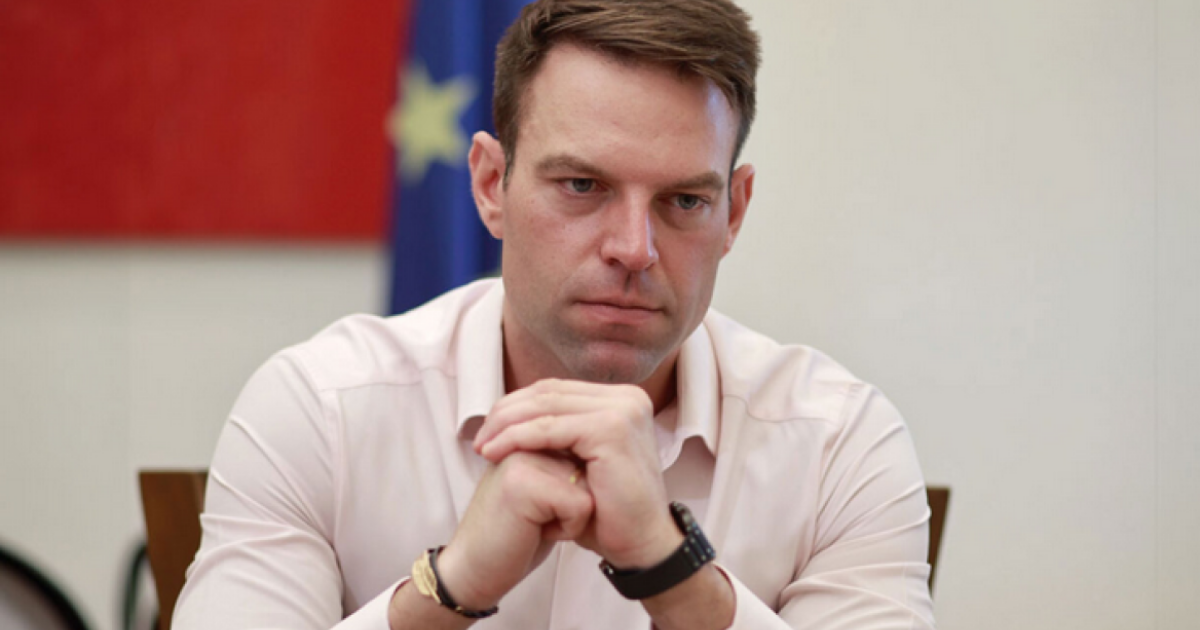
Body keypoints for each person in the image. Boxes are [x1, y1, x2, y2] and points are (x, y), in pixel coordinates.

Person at [173, 1, 936, 628]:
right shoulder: (322, 411)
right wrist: (450, 586)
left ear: (733, 213)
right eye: (581, 186)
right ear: (490, 185)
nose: (634, 248)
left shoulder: (838, 444)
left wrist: (676, 575)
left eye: (683, 201)